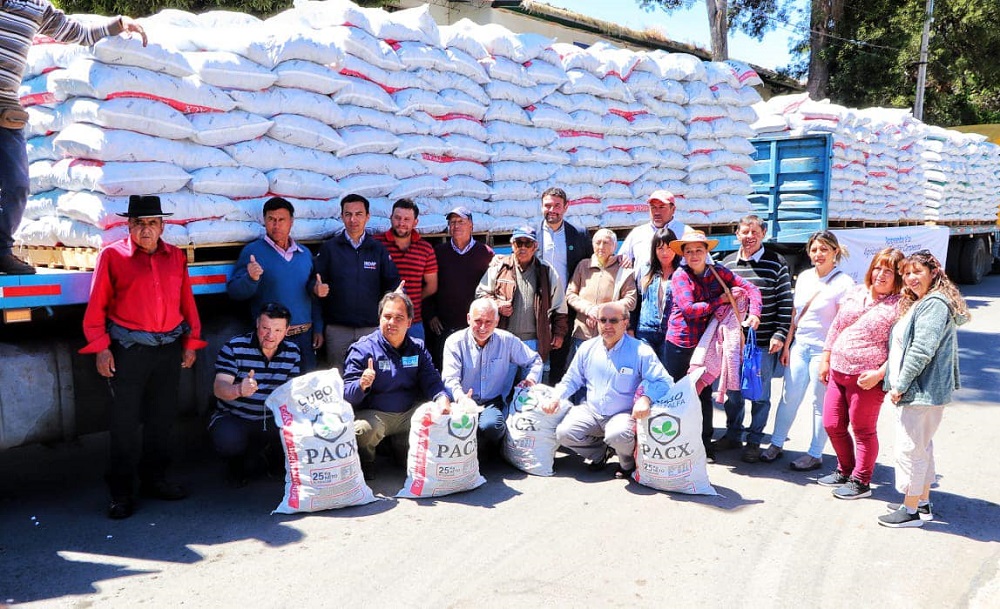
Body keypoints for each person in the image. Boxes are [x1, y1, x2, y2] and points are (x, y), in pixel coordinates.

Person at [80, 195, 206, 520]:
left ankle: (156, 479)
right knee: (124, 423)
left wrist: (191, 342)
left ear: (163, 226)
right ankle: (120, 492)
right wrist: (101, 347)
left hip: (168, 349)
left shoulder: (175, 257)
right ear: (128, 226)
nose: (145, 229)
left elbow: (186, 302)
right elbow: (97, 306)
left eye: (152, 222)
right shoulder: (112, 256)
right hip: (129, 350)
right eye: (139, 223)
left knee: (162, 419)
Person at [1, 2, 145, 275]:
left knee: (17, 186)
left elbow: (75, 32)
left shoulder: (36, 7)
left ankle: (0, 251)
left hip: (6, 112)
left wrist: (117, 25)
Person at [878, 250, 968, 528]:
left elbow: (921, 350)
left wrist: (901, 384)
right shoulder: (924, 302)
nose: (910, 278)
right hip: (922, 389)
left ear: (933, 273)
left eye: (917, 271)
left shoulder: (934, 304)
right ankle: (922, 502)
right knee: (921, 446)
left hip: (921, 389)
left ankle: (911, 510)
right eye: (906, 273)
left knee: (910, 449)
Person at [543, 302, 675, 479]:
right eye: (602, 320)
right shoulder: (587, 348)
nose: (607, 325)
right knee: (564, 433)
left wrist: (646, 398)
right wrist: (556, 397)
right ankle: (600, 454)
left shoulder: (640, 351)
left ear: (625, 322)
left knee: (617, 434)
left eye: (613, 320)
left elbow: (664, 381)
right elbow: (571, 379)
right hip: (592, 410)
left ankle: (627, 463)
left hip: (623, 414)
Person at [662, 229, 761, 459]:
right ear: (683, 255)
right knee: (681, 394)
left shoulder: (718, 272)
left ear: (706, 252)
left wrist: (754, 313)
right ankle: (679, 443)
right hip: (681, 344)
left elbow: (752, 289)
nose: (694, 255)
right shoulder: (680, 276)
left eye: (699, 250)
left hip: (707, 345)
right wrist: (720, 301)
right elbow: (689, 310)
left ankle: (704, 444)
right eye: (689, 251)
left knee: (703, 394)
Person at [761, 231, 855, 470]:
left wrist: (828, 357)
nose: (818, 254)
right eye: (814, 249)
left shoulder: (844, 283)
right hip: (800, 346)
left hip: (823, 352)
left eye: (824, 249)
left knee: (818, 402)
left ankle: (815, 453)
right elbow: (794, 314)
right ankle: (776, 443)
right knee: (788, 397)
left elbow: (843, 324)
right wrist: (788, 345)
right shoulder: (804, 277)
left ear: (835, 251)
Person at [818, 247, 904, 500]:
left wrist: (879, 374)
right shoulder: (857, 292)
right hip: (837, 370)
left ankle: (861, 480)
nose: (881, 275)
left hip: (867, 379)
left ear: (898, 277)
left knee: (863, 430)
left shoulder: (900, 305)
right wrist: (826, 358)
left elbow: (901, 347)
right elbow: (837, 326)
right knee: (832, 424)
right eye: (878, 267)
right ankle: (845, 470)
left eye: (889, 271)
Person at [342, 292, 450, 480]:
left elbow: (432, 380)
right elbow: (346, 394)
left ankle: (397, 446)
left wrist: (443, 398)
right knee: (363, 431)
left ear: (409, 322)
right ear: (379, 318)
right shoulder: (362, 349)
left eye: (399, 318)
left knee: (435, 419)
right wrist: (361, 384)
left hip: (408, 414)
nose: (392, 322)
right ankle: (366, 460)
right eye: (387, 316)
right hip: (376, 416)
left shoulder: (417, 347)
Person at [717, 215, 794, 463]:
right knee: (733, 393)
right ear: (737, 234)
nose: (749, 236)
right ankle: (733, 433)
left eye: (754, 232)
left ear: (763, 234)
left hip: (762, 344)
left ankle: (753, 440)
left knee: (759, 395)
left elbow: (785, 302)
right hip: (733, 343)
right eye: (744, 232)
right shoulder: (728, 263)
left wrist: (780, 335)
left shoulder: (776, 263)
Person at [226, 197, 323, 372]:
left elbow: (312, 294)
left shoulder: (304, 253)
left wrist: (318, 328)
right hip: (272, 339)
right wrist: (251, 278)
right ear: (264, 221)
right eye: (271, 219)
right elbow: (234, 292)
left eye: (281, 220)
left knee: (306, 390)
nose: (276, 225)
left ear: (291, 222)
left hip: (304, 337)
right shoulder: (253, 252)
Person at [210, 303, 301, 487]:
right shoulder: (234, 347)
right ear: (257, 324)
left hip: (272, 419)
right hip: (236, 416)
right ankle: (236, 464)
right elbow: (219, 387)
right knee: (229, 440)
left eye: (277, 330)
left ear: (287, 330)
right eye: (265, 328)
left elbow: (293, 392)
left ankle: (273, 457)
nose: (270, 335)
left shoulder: (293, 352)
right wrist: (238, 390)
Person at [441, 298, 543, 458]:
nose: (482, 327)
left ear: (497, 321)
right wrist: (461, 398)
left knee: (492, 427)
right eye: (478, 321)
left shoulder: (506, 340)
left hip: (491, 402)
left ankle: (488, 447)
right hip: (461, 402)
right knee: (455, 432)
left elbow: (534, 360)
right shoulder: (454, 342)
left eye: (488, 322)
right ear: (468, 319)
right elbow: (449, 378)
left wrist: (531, 380)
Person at [314, 193, 400, 372]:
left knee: (371, 375)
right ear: (342, 216)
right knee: (337, 377)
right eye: (348, 214)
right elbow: (313, 282)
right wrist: (316, 288)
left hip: (370, 328)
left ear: (367, 217)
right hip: (337, 330)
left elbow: (391, 283)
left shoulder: (377, 249)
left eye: (358, 214)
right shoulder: (330, 248)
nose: (353, 219)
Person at [475, 225, 568, 369]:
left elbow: (559, 306)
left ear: (535, 246)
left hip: (535, 341)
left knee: (531, 388)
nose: (523, 247)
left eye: (528, 243)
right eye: (519, 243)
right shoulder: (500, 267)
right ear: (512, 245)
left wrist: (559, 333)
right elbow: (481, 295)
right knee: (503, 386)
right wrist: (497, 304)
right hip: (504, 338)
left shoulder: (546, 271)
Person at [424, 207, 494, 369]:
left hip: (474, 327)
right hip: (443, 325)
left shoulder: (485, 254)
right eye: (452, 222)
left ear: (471, 225)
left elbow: (492, 289)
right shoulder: (439, 253)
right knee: (445, 368)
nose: (456, 226)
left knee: (472, 368)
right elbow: (427, 285)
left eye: (461, 222)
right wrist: (430, 315)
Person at [537, 187, 593, 381]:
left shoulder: (578, 234)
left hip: (566, 305)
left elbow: (589, 267)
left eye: (557, 206)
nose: (552, 210)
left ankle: (556, 396)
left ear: (566, 207)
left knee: (561, 354)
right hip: (538, 304)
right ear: (541, 206)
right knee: (536, 355)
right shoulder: (531, 235)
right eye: (548, 205)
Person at [377, 198, 437, 342]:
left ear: (415, 222)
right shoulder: (377, 245)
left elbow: (431, 286)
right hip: (383, 322)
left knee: (413, 363)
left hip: (413, 322)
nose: (401, 223)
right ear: (391, 218)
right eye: (397, 218)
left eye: (406, 219)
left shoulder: (425, 249)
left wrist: (406, 302)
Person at [566, 228, 637, 349]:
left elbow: (631, 300)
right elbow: (571, 294)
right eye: (598, 242)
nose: (601, 246)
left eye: (606, 242)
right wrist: (589, 309)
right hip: (583, 333)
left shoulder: (623, 270)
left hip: (611, 334)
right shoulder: (583, 266)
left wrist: (601, 311)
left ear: (614, 246)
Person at [633, 227, 680, 364]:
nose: (665, 253)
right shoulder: (646, 270)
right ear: (654, 250)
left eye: (669, 248)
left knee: (666, 375)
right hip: (646, 331)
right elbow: (637, 299)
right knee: (645, 372)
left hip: (670, 332)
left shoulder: (681, 273)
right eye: (660, 248)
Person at [618, 190, 689, 275]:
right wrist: (624, 258)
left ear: (673, 209)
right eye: (653, 207)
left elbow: (705, 264)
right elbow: (622, 257)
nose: (657, 212)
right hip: (642, 286)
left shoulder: (686, 233)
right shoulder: (638, 233)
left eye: (662, 207)